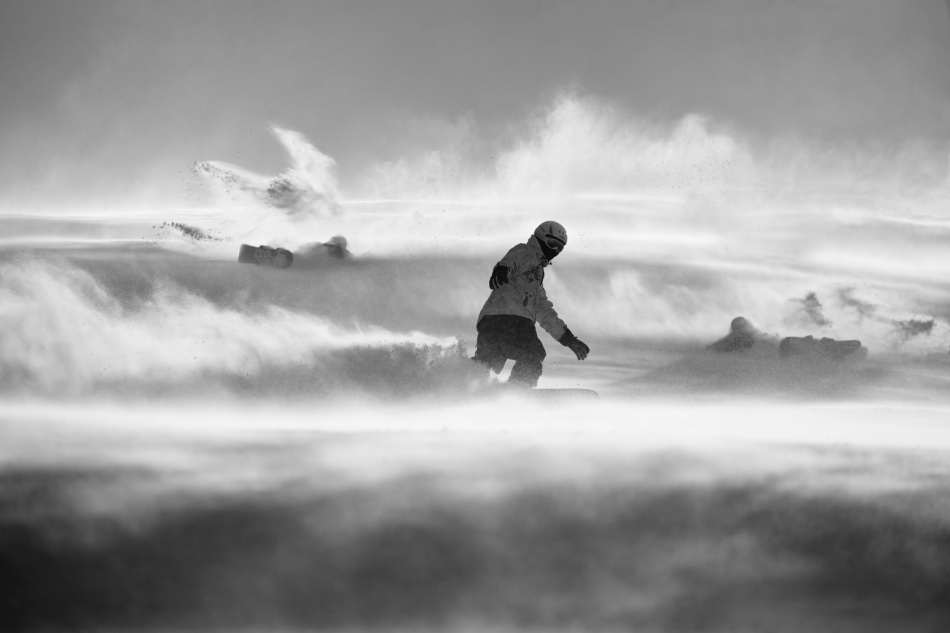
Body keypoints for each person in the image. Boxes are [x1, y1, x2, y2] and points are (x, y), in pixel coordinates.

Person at [473, 221, 590, 388]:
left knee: (490, 363)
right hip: (512, 320)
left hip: (491, 322)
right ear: (541, 237)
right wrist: (503, 269)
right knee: (533, 353)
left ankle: (462, 379)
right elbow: (513, 260)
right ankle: (517, 390)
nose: (554, 250)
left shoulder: (536, 280)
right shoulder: (526, 251)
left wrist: (568, 339)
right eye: (552, 243)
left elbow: (545, 312)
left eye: (559, 248)